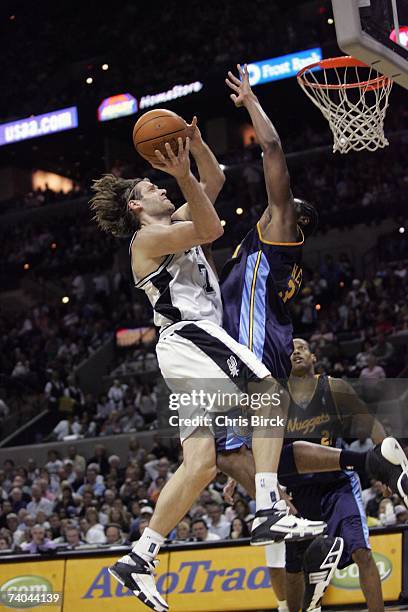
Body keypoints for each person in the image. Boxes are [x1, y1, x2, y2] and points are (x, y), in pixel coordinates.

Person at [90, 116, 323, 612]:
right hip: (192, 334)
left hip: (183, 351)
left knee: (200, 464)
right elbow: (213, 225)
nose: (160, 187)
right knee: (267, 392)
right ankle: (266, 508)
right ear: (137, 205)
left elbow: (212, 183)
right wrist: (181, 174)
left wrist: (195, 147)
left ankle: (139, 556)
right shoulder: (146, 241)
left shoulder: (174, 224)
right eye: (151, 186)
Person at [223, 339, 408, 612]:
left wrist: (387, 467)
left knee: (362, 553)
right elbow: (251, 438)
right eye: (291, 349)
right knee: (294, 566)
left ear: (313, 357)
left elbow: (370, 424)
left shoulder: (333, 387)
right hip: (296, 490)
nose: (296, 351)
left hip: (337, 483)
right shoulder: (276, 394)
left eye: (302, 348)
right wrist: (233, 475)